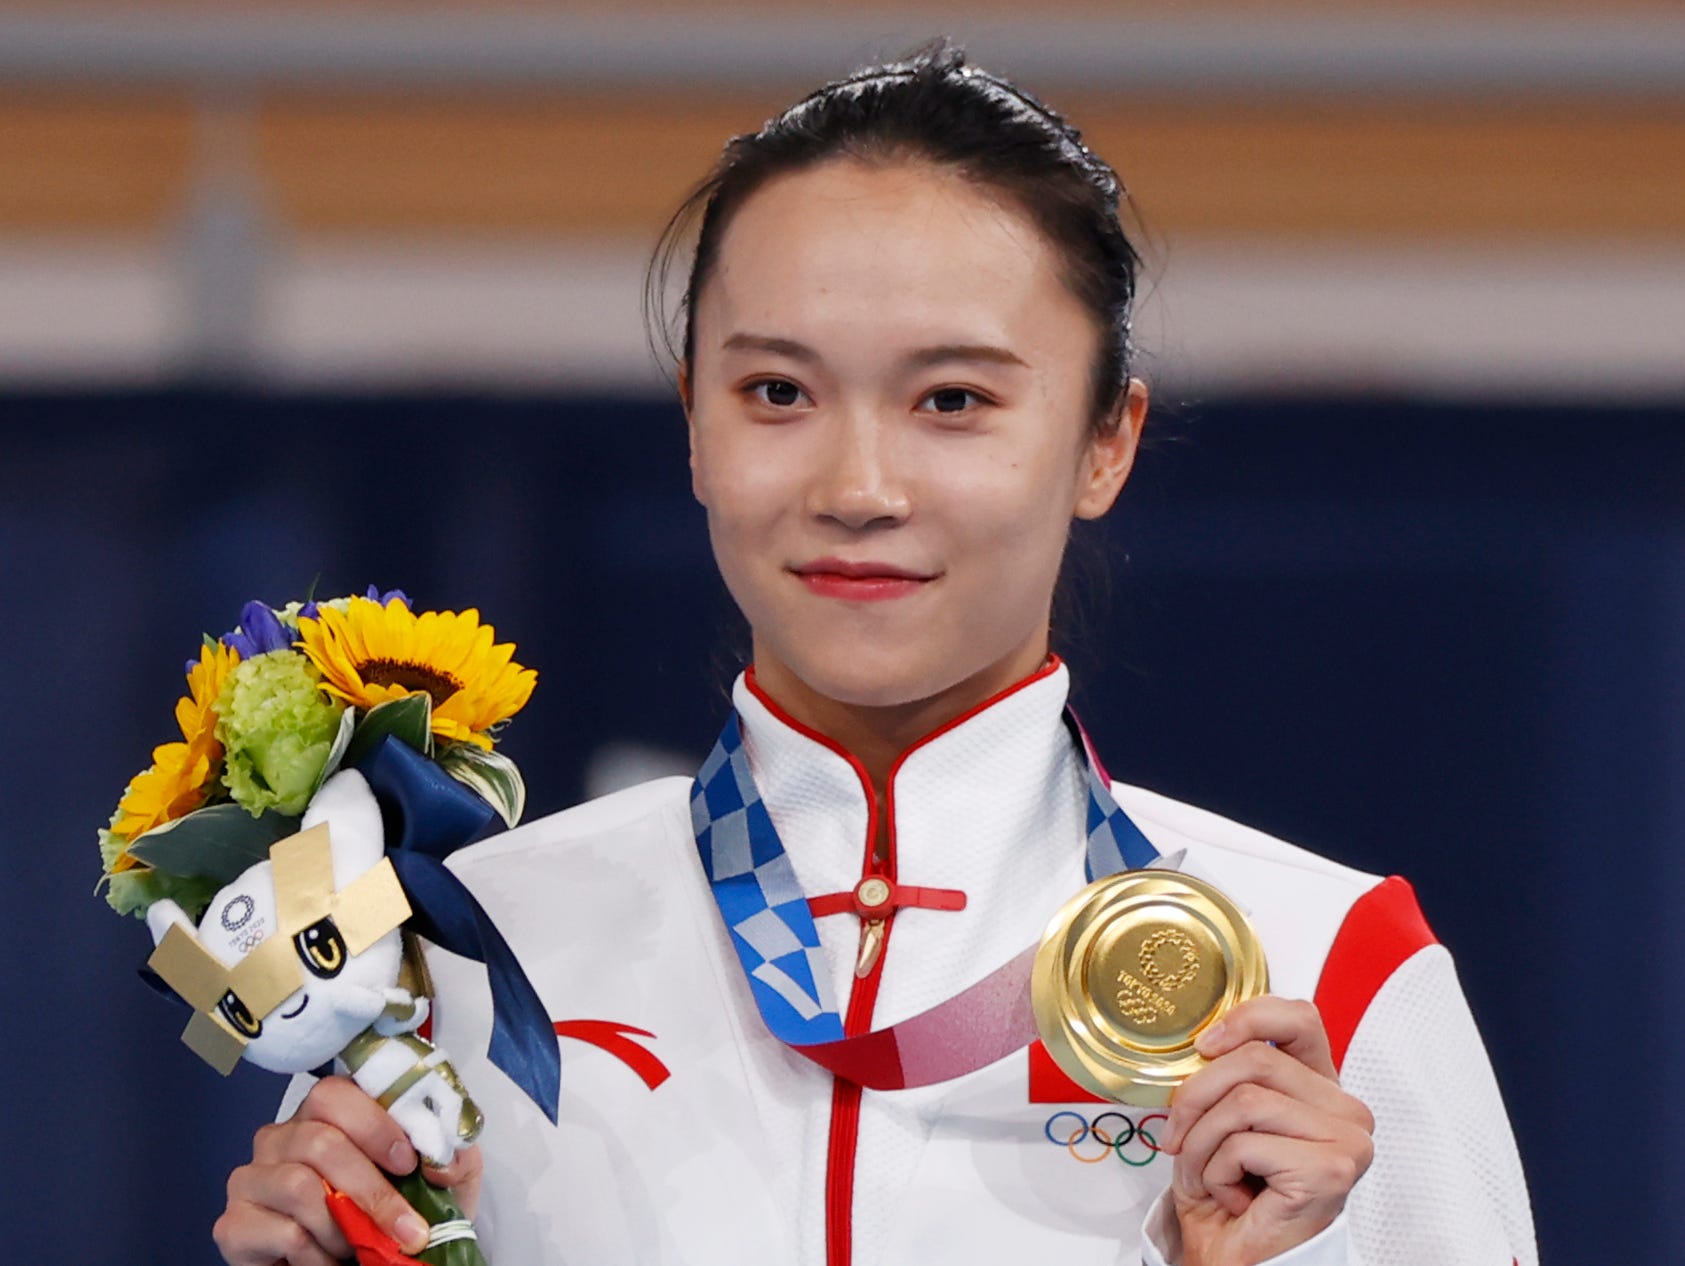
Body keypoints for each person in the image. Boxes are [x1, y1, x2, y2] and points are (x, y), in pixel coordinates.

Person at [211, 44, 1534, 1266]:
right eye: (776, 391)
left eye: (952, 399)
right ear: (692, 424)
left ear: (1103, 442)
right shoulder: (462, 955)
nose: (857, 484)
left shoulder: (1328, 967)